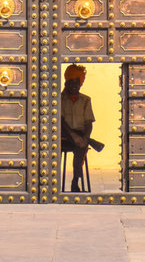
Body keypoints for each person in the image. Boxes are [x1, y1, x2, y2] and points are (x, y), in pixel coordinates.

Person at [60, 64, 95, 192]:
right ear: (66, 83)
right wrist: (74, 136)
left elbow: (89, 123)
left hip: (80, 136)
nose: (74, 85)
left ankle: (76, 180)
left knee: (81, 149)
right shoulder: (60, 99)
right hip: (63, 135)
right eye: (71, 82)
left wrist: (85, 138)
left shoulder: (86, 100)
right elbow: (61, 122)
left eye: (77, 82)